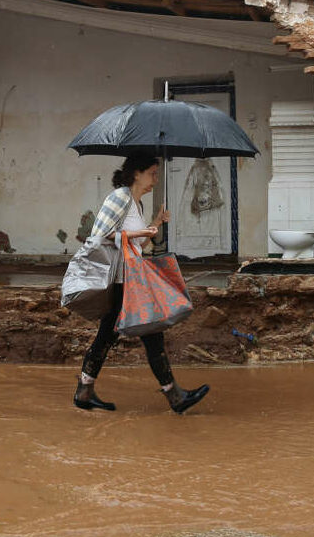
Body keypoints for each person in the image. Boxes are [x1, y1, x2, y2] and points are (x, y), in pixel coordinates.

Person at [74, 154, 211, 414]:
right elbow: (99, 234)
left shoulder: (136, 204)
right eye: (152, 173)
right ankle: (174, 396)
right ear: (136, 173)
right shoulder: (120, 197)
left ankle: (85, 390)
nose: (155, 179)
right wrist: (140, 232)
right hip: (120, 281)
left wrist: (155, 225)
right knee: (149, 334)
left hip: (131, 278)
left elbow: (136, 246)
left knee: (116, 333)